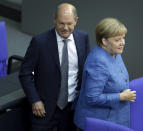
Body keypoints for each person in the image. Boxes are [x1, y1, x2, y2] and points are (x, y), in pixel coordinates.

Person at [19, 3, 90, 131]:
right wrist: (35, 100)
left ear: (76, 20)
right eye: (61, 23)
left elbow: (85, 70)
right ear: (54, 19)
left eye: (69, 23)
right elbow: (25, 73)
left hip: (71, 109)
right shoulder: (39, 42)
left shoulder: (83, 38)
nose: (65, 28)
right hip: (43, 108)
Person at [74, 18, 136, 130]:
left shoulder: (114, 52)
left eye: (123, 38)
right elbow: (92, 98)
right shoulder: (98, 63)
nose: (123, 43)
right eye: (117, 40)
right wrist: (121, 96)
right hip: (99, 123)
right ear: (104, 41)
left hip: (116, 117)